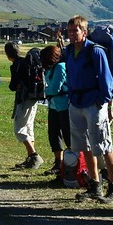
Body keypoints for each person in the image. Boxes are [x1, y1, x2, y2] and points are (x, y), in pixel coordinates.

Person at [62, 15, 113, 203]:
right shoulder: (69, 51)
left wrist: (101, 102)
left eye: (75, 30)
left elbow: (106, 80)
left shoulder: (96, 52)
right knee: (84, 146)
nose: (71, 34)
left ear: (84, 32)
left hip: (94, 104)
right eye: (69, 31)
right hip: (76, 103)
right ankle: (95, 185)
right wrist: (71, 98)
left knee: (103, 145)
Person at [4, 41, 44, 170]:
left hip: (24, 99)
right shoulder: (27, 62)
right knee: (28, 127)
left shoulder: (16, 65)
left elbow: (12, 86)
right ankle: (30, 159)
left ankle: (34, 155)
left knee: (19, 129)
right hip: (33, 98)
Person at [41, 43, 70, 184]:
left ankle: (70, 165)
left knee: (67, 135)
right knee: (53, 134)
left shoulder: (60, 67)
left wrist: (44, 92)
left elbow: (54, 89)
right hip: (54, 105)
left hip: (63, 105)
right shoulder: (51, 68)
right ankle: (59, 162)